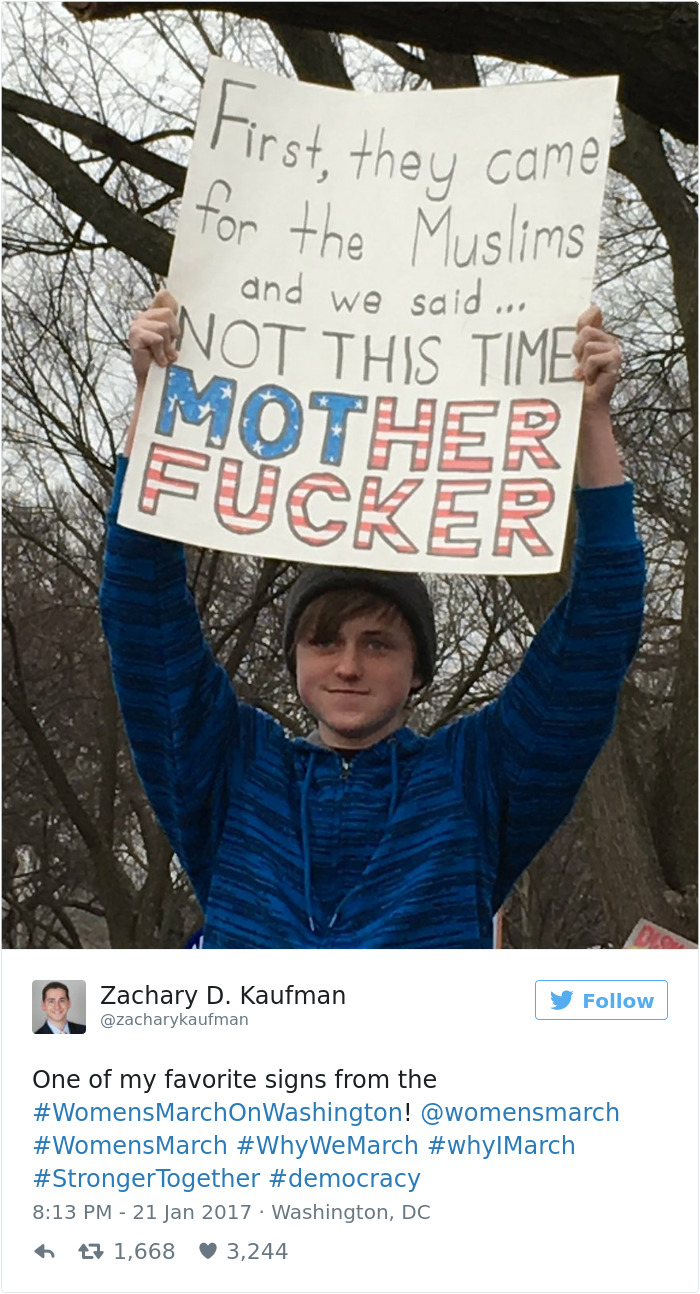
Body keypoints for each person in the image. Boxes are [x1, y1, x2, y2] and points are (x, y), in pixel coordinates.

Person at [99, 290, 644, 949]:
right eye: (324, 641)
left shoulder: (476, 779)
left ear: (417, 668)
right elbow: (140, 612)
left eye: (378, 644)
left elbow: (597, 634)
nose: (348, 665)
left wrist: (590, 422)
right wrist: (153, 407)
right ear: (295, 656)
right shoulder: (231, 771)